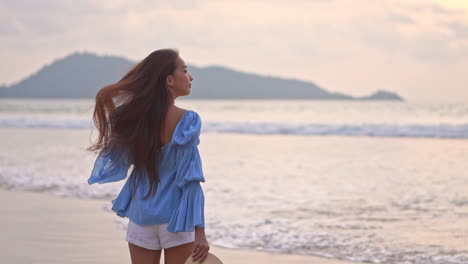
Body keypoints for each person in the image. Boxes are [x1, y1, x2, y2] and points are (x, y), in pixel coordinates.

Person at [87, 49, 210, 264]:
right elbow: (190, 179)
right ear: (169, 80)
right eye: (185, 71)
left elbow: (120, 158)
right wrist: (200, 232)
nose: (190, 77)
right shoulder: (187, 120)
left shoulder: (132, 119)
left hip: (141, 216)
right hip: (176, 220)